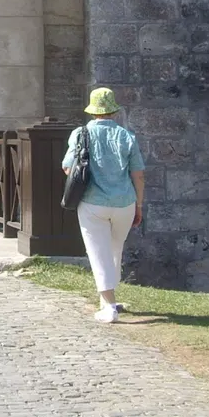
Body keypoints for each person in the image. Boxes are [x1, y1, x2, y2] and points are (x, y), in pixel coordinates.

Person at [61, 87, 146, 323]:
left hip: (92, 202)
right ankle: (109, 299)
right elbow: (138, 175)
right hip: (124, 203)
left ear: (93, 111)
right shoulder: (127, 137)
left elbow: (68, 167)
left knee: (98, 253)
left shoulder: (80, 134)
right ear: (113, 111)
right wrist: (138, 205)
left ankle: (109, 306)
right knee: (114, 250)